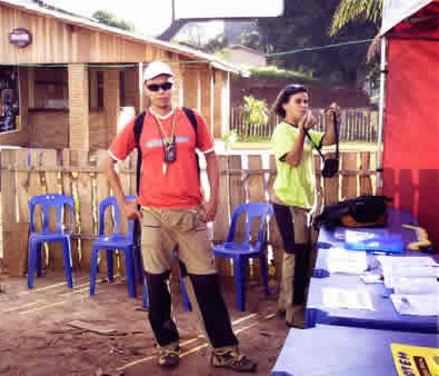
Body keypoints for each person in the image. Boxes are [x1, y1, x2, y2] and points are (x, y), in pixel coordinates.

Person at [104, 61, 257, 372]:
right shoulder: (138, 125)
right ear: (146, 90)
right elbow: (108, 163)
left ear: (174, 86)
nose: (162, 92)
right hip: (153, 218)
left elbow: (212, 158)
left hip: (191, 216)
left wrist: (213, 198)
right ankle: (167, 346)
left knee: (206, 284)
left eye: (167, 85)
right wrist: (123, 203)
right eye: (155, 86)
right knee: (157, 286)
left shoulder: (191, 119)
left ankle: (224, 350)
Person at [270, 84, 340, 328]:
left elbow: (329, 140)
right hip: (288, 203)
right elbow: (293, 158)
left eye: (306, 101)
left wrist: (332, 120)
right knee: (295, 257)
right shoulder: (282, 132)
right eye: (298, 101)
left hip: (304, 203)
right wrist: (301, 131)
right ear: (284, 105)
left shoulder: (306, 131)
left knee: (297, 255)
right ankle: (294, 313)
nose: (304, 106)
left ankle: (285, 304)